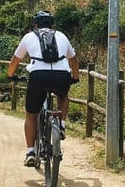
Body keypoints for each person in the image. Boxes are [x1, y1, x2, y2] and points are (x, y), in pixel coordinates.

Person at [7, 10, 80, 167]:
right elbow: (73, 59)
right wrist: (75, 77)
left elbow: (15, 60)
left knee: (31, 115)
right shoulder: (61, 36)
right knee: (63, 96)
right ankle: (61, 124)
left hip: (38, 76)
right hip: (61, 75)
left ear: (35, 24)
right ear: (52, 24)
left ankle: (30, 152)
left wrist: (10, 75)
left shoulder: (29, 37)